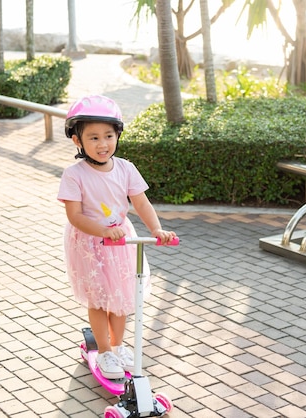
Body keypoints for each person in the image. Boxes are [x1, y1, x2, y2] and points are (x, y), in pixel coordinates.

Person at [57, 95, 177, 380]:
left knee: (123, 297)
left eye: (109, 136)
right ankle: (105, 350)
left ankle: (119, 345)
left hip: (122, 242)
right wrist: (103, 231)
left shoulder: (125, 168)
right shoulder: (74, 175)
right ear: (78, 141)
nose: (102, 144)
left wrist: (156, 229)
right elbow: (74, 216)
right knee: (98, 299)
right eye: (94, 137)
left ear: (117, 136)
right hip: (89, 243)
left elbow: (142, 203)